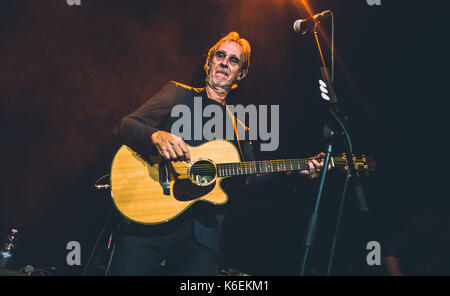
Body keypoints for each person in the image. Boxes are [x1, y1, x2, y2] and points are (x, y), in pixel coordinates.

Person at [109, 32, 327, 275]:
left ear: (241, 74)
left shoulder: (240, 130)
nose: (225, 62)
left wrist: (295, 170)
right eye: (220, 56)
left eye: (234, 60)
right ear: (209, 62)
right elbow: (124, 126)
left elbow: (248, 180)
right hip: (151, 220)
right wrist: (155, 136)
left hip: (203, 237)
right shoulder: (177, 94)